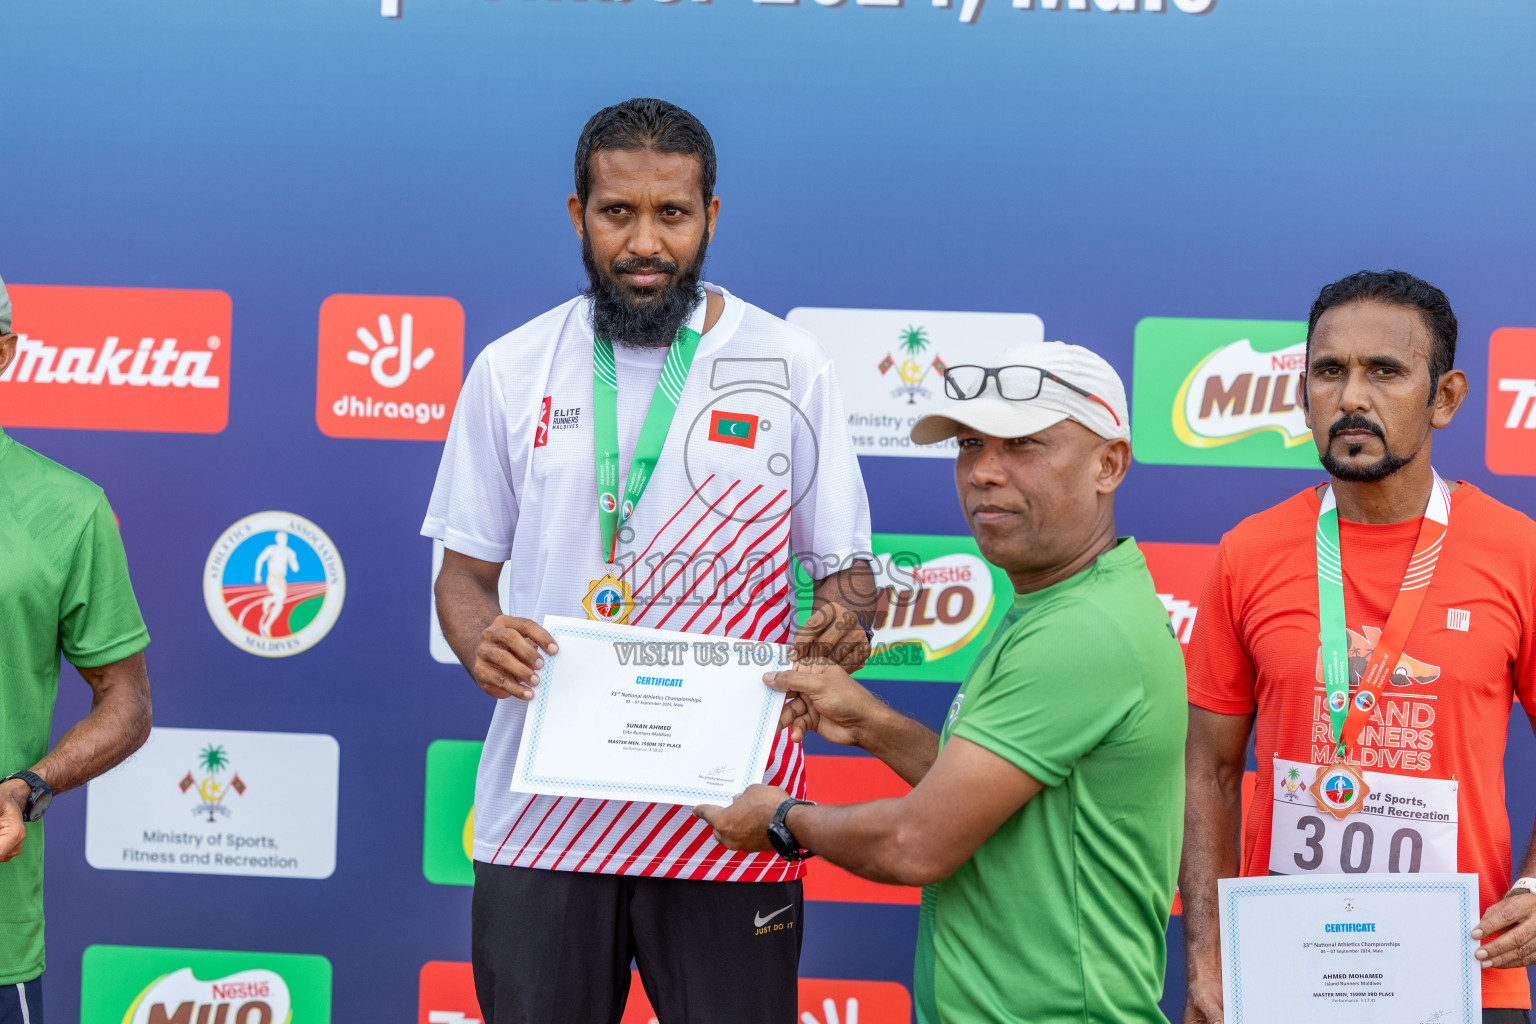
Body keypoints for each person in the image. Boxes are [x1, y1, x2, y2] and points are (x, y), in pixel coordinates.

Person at [424, 99, 875, 1024]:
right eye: (615, 212)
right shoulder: (511, 370)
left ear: (712, 216)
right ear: (576, 215)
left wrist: (846, 624)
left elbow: (846, 575)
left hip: (732, 821)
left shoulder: (791, 366)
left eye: (671, 214)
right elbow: (463, 576)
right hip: (544, 825)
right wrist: (479, 643)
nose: (644, 242)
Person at [696, 341, 1187, 1024]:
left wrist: (779, 820)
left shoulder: (1081, 630)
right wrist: (873, 724)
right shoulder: (1066, 604)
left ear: (1109, 464)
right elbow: (994, 805)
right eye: (969, 444)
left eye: (1024, 445)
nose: (984, 471)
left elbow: (916, 843)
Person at [1180, 270, 1536, 1024]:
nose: (1351, 398)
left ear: (1445, 397)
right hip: (1284, 973)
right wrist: (1208, 958)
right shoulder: (1249, 552)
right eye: (1328, 372)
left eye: (1385, 372)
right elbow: (1207, 771)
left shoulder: (1516, 552)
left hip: (1465, 976)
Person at [0, 273, 155, 1024]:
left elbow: (124, 704)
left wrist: (28, 786)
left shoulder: (69, 509)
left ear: (4, 353)